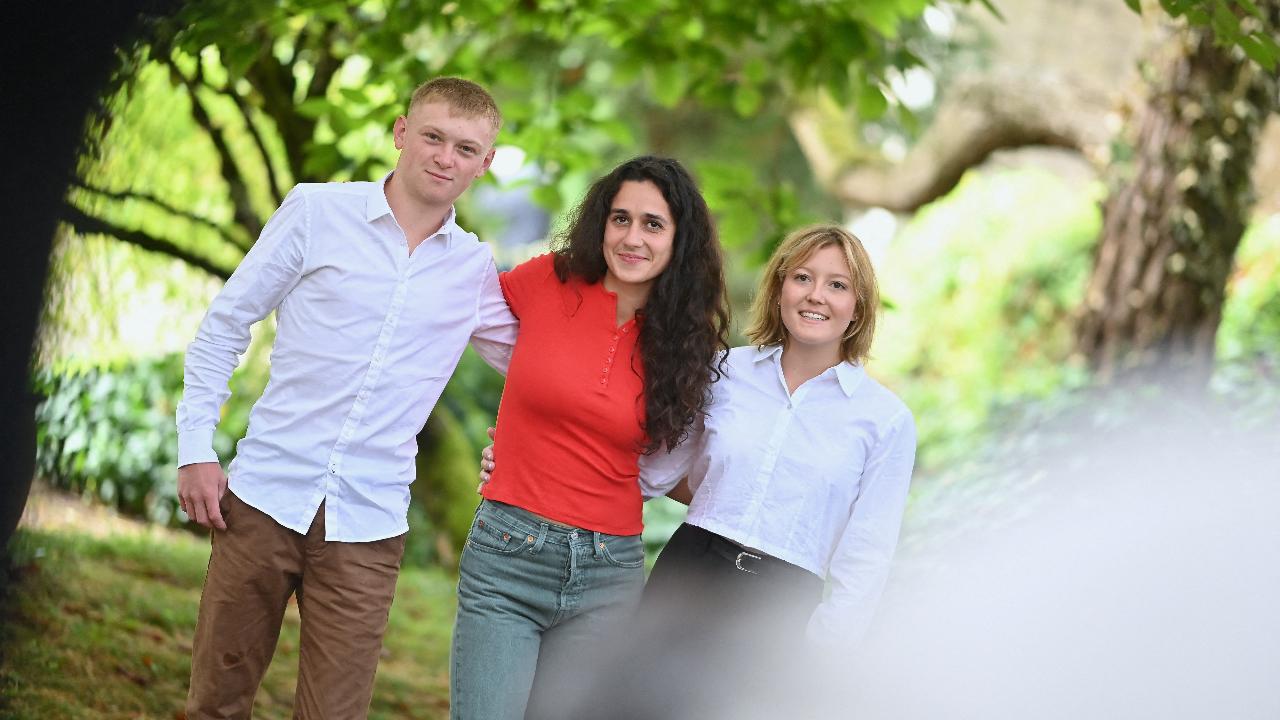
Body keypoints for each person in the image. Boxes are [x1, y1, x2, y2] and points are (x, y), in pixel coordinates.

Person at [175, 77, 517, 720]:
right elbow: (225, 323)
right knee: (214, 706)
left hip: (368, 523)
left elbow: (539, 369)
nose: (446, 158)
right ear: (400, 133)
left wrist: (517, 451)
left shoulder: (473, 270)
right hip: (262, 499)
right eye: (433, 137)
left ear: (485, 163)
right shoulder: (315, 212)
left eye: (466, 149)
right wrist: (196, 448)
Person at [479, 223, 916, 718]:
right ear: (779, 289)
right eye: (802, 277)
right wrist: (530, 455)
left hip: (781, 606)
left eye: (837, 284)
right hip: (691, 574)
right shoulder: (724, 372)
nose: (816, 295)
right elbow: (649, 472)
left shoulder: (884, 421)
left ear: (858, 305)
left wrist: (824, 651)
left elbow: (867, 552)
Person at [450, 156, 730, 720]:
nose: (632, 237)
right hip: (508, 554)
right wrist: (512, 448)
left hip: (609, 574)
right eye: (620, 218)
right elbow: (459, 320)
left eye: (653, 224)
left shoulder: (688, 345)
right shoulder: (547, 280)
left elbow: (683, 465)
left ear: (680, 240)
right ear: (600, 221)